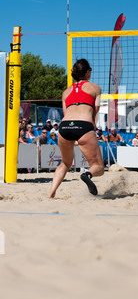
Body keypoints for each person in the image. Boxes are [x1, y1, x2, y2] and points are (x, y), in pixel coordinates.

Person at [48, 59, 104, 198]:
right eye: (90, 70)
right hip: (83, 125)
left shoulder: (66, 92)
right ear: (87, 72)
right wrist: (92, 126)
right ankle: (87, 175)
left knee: (65, 163)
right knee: (98, 167)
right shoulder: (95, 88)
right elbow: (96, 110)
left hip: (65, 126)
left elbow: (65, 113)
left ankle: (51, 193)